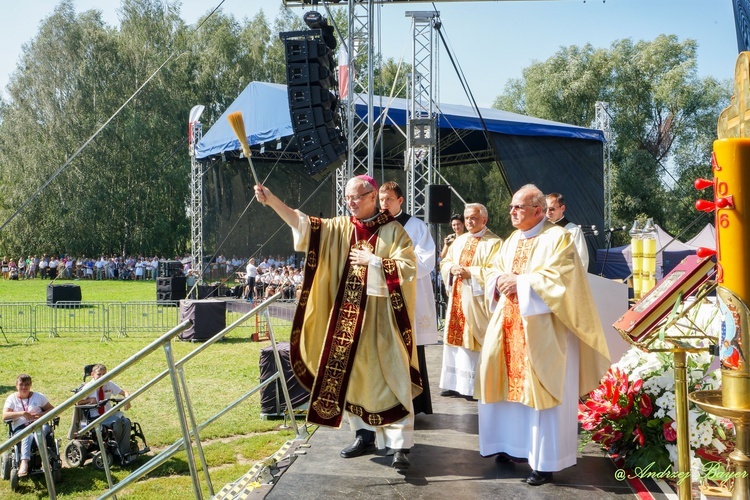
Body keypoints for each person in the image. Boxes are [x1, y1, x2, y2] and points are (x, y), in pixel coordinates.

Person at [254, 175, 420, 470]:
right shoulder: (341, 228)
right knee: (352, 378)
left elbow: (409, 268)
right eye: (347, 198)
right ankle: (363, 434)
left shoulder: (394, 231)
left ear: (372, 196)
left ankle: (400, 446)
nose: (350, 203)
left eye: (356, 197)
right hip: (346, 322)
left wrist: (376, 262)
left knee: (393, 378)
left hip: (382, 323)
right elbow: (302, 223)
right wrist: (272, 201)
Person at [478, 184, 610, 485]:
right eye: (512, 207)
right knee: (500, 382)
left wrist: (521, 283)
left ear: (538, 210)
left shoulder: (558, 237)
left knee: (543, 389)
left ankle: (544, 461)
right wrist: (499, 279)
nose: (511, 212)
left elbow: (562, 279)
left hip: (544, 330)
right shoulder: (510, 240)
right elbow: (493, 271)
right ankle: (509, 447)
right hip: (508, 325)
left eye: (518, 207)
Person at [379, 180, 439, 415]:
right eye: (381, 200)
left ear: (400, 201)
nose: (384, 204)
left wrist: (394, 268)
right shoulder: (377, 225)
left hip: (410, 294)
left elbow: (426, 261)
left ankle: (416, 403)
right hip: (383, 295)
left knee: (411, 347)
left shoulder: (416, 227)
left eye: (388, 200)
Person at [439, 203, 502, 398]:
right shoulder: (459, 241)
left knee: (472, 339)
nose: (469, 222)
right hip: (457, 294)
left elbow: (496, 271)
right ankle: (453, 383)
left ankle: (471, 386)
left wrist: (471, 273)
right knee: (454, 339)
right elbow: (445, 261)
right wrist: (451, 269)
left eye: (473, 218)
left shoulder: (494, 243)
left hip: (477, 301)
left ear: (485, 219)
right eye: (467, 218)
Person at [76, 364, 132, 464]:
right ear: (92, 375)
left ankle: (124, 451)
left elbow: (124, 392)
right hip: (95, 417)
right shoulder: (88, 387)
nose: (102, 377)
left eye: (104, 374)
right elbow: (77, 402)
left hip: (108, 414)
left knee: (126, 422)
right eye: (99, 374)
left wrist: (127, 399)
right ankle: (116, 450)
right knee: (117, 421)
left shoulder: (108, 384)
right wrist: (89, 400)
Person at [3, 374, 55, 477]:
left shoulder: (39, 396)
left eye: (27, 384)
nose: (24, 387)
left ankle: (45, 461)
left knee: (39, 434)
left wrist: (40, 415)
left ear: (30, 385)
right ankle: (24, 462)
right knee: (27, 434)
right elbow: (5, 416)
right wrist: (22, 413)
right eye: (21, 384)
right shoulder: (12, 399)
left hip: (38, 424)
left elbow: (52, 409)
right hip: (21, 427)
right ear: (16, 385)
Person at [545, 192, 589, 269]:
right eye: (546, 209)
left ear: (562, 208)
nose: (548, 212)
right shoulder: (542, 229)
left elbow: (582, 260)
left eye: (552, 209)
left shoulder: (573, 231)